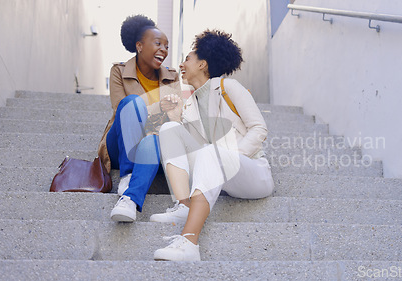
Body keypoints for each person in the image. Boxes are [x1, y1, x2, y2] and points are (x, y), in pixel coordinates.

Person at [151, 30, 274, 261]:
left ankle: (189, 243)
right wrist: (176, 116)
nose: (181, 64)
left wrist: (231, 156)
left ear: (203, 64)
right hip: (218, 172)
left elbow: (259, 129)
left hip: (252, 171)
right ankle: (184, 204)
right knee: (169, 130)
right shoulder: (192, 103)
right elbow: (191, 148)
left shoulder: (229, 87)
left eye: (187, 58)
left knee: (212, 153)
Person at [96, 15, 181, 222]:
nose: (164, 49)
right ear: (140, 45)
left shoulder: (172, 77)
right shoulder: (119, 71)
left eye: (167, 46)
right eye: (158, 43)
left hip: (153, 145)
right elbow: (121, 110)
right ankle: (127, 174)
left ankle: (130, 198)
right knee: (132, 102)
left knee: (152, 139)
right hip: (121, 143)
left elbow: (176, 115)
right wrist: (159, 107)